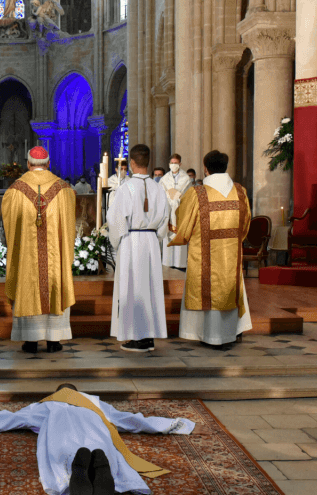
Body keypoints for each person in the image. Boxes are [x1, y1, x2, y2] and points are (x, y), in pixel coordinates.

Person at [0, 383, 196, 495]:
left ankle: (76, 470)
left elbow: (6, 418)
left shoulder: (47, 406)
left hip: (59, 427)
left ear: (56, 392)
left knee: (62, 455)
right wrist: (175, 425)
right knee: (103, 447)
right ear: (79, 392)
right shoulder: (94, 403)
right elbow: (130, 419)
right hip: (93, 425)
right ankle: (100, 465)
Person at [169, 150, 252, 347]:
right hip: (231, 256)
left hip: (204, 256)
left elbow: (184, 224)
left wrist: (174, 224)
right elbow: (246, 223)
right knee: (230, 287)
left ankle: (207, 334)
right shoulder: (240, 191)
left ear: (205, 169)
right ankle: (233, 331)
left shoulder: (197, 193)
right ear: (225, 167)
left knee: (207, 289)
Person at [2, 146, 77, 353]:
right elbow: (70, 228)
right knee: (54, 282)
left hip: (27, 257)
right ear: (49, 163)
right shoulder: (63, 190)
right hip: (55, 259)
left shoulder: (15, 190)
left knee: (28, 284)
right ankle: (54, 340)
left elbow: (10, 228)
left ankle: (30, 340)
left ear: (28, 164)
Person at [107, 144, 170, 352]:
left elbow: (115, 219)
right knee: (149, 289)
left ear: (132, 163)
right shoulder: (158, 188)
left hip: (131, 240)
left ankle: (136, 337)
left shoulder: (126, 188)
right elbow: (165, 221)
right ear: (148, 162)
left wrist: (117, 243)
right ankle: (149, 336)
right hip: (151, 242)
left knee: (132, 289)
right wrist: (156, 238)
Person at [160, 153, 191, 270]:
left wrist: (178, 197)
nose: (174, 165)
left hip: (180, 211)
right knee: (168, 236)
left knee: (179, 235)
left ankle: (180, 262)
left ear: (180, 164)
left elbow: (188, 195)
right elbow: (161, 194)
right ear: (169, 164)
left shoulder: (186, 179)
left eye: (176, 163)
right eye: (172, 163)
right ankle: (168, 261)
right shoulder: (164, 179)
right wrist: (170, 197)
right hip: (168, 210)